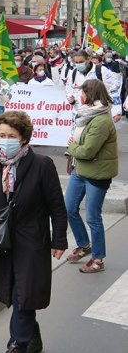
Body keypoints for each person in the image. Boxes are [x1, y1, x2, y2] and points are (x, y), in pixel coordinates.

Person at [0, 111, 67, 353]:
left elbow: (57, 206)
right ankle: (31, 336)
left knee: (25, 294)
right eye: (1, 135)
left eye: (11, 136)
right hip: (1, 240)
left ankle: (18, 343)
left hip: (33, 240)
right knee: (14, 293)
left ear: (24, 138)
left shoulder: (42, 165)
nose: (5, 140)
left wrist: (59, 239)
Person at [64, 79, 118, 273]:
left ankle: (98, 259)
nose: (80, 96)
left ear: (90, 94)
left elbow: (87, 151)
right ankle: (84, 245)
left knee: (93, 216)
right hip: (81, 170)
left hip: (97, 173)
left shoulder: (102, 119)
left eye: (83, 92)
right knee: (69, 207)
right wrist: (75, 147)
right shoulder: (86, 113)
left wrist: (71, 146)